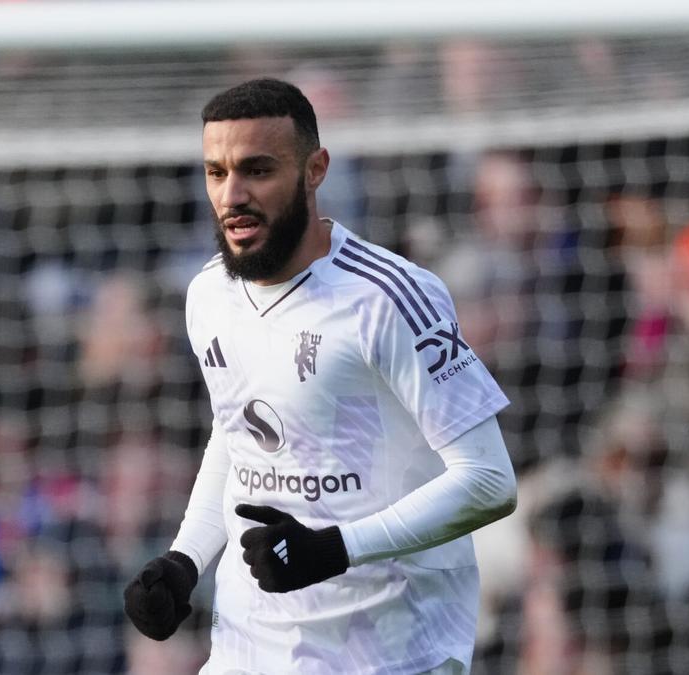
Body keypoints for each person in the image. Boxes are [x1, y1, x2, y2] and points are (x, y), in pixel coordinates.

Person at [122, 78, 518, 674]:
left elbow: (490, 481)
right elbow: (239, 435)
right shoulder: (208, 294)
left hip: (392, 653)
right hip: (249, 650)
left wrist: (336, 548)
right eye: (216, 172)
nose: (233, 195)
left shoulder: (388, 299)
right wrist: (185, 560)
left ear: (315, 170)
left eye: (257, 170)